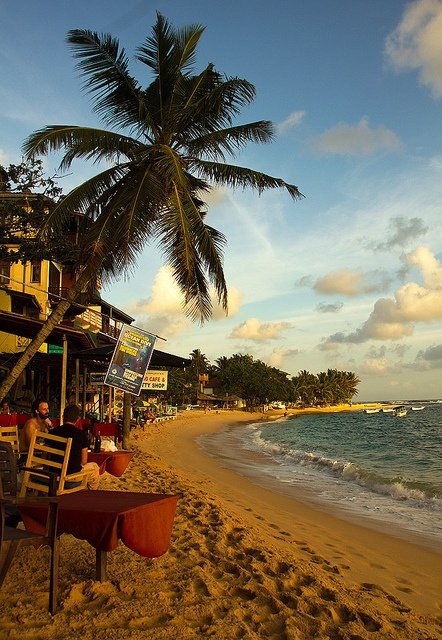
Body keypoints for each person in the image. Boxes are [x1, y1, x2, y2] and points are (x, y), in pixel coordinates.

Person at [50, 403, 100, 490]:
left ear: (63, 416)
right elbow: (84, 461)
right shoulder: (81, 434)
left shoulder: (52, 432)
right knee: (95, 468)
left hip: (51, 475)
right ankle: (91, 496)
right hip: (69, 479)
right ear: (77, 419)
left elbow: (45, 455)